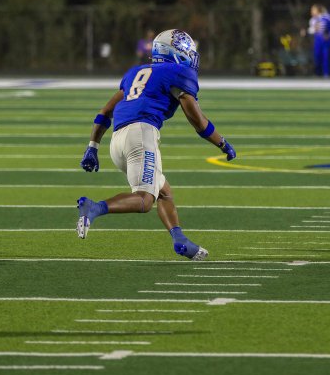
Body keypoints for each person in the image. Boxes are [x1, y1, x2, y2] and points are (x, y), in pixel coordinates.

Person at [75, 29, 235, 261]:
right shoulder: (179, 72)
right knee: (144, 199)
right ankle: (95, 207)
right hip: (141, 135)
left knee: (164, 192)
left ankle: (180, 240)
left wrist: (92, 146)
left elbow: (105, 112)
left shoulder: (136, 72)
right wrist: (222, 143)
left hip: (117, 141)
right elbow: (198, 121)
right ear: (176, 52)